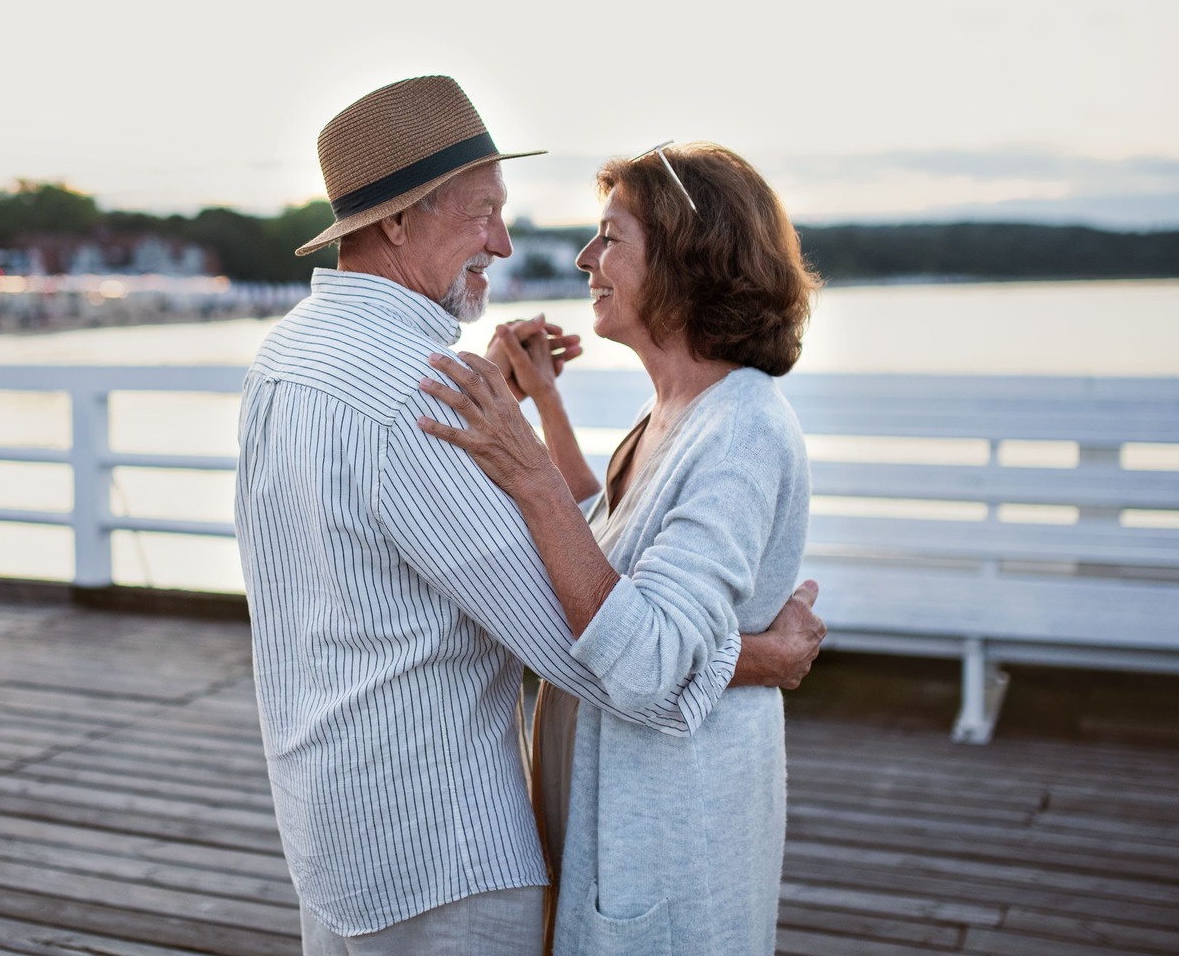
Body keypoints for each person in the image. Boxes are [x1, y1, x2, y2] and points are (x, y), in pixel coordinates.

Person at [234, 78, 825, 956]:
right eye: (483, 216)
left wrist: (531, 423)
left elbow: (586, 558)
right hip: (440, 852)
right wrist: (758, 655)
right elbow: (597, 642)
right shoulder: (424, 396)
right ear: (398, 221)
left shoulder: (286, 355)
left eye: (607, 238)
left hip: (336, 826)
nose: (507, 246)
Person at [418, 141, 821, 954]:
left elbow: (650, 656)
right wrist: (543, 408)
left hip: (672, 838)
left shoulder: (741, 428)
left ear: (685, 260)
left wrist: (523, 466)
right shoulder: (678, 405)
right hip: (619, 814)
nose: (584, 259)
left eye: (610, 238)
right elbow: (606, 532)